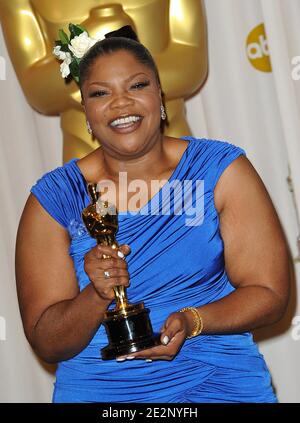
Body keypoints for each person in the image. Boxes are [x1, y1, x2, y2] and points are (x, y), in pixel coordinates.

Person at [15, 26, 290, 403]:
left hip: (220, 385)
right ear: (86, 112)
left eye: (137, 86)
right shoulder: (54, 198)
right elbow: (47, 341)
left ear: (159, 95)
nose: (121, 103)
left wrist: (193, 320)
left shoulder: (221, 170)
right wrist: (96, 294)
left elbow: (269, 293)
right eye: (100, 93)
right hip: (102, 394)